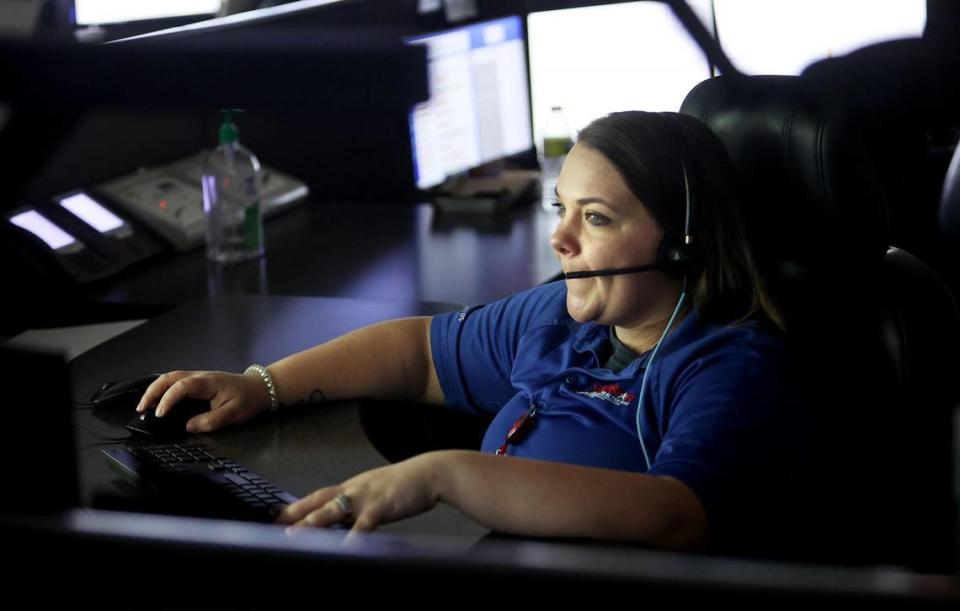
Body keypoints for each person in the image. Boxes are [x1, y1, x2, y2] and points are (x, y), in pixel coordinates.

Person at [136, 111, 812, 558]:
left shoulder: (728, 364)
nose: (560, 237)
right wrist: (264, 385)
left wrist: (445, 474)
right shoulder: (560, 319)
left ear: (680, 247)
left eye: (597, 218)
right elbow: (416, 352)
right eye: (561, 208)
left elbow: (676, 513)